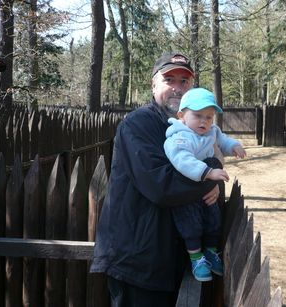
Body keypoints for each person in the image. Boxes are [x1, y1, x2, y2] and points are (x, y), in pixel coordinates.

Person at [90, 52, 222, 307]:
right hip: (137, 260)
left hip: (168, 258)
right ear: (153, 86)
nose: (177, 87)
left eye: (184, 81)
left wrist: (213, 170)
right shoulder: (139, 124)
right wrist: (210, 179)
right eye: (169, 79)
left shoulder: (191, 125)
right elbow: (162, 186)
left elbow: (209, 157)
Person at [164, 87, 246, 282]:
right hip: (186, 190)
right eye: (198, 115)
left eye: (209, 117)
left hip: (205, 188)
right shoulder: (180, 136)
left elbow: (222, 139)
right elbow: (181, 159)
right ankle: (196, 258)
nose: (204, 121)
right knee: (190, 224)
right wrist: (208, 172)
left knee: (213, 219)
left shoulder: (211, 131)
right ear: (182, 116)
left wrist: (233, 146)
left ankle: (210, 252)